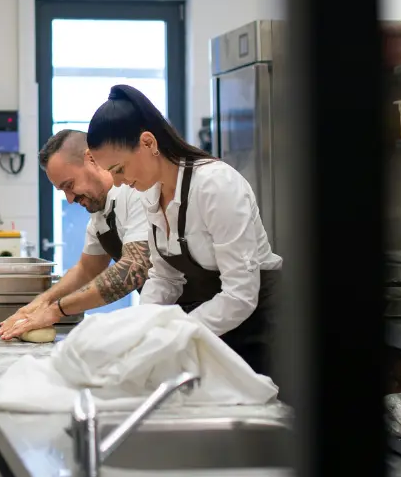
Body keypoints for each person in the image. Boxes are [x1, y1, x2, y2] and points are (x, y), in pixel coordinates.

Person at [85, 85, 282, 377]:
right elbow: (165, 278)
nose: (116, 182)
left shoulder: (215, 186)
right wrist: (138, 330)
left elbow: (240, 295)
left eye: (119, 169)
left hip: (264, 331)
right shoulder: (150, 194)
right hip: (217, 331)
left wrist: (174, 332)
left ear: (149, 143)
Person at [0, 129, 151, 341]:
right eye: (63, 191)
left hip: (198, 315)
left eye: (69, 185)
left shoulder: (136, 193)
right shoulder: (99, 216)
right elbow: (86, 270)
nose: (69, 199)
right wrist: (41, 302)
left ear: (92, 159)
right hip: (164, 316)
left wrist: (55, 311)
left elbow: (133, 268)